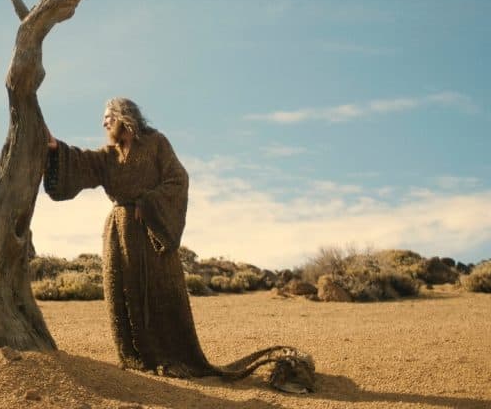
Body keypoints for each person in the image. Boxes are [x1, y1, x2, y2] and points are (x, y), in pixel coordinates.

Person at [44, 97, 315, 391]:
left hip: (152, 232)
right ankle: (136, 356)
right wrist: (55, 146)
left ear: (124, 116)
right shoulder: (108, 155)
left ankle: (169, 354)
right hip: (118, 234)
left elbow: (178, 179)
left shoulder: (156, 143)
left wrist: (147, 204)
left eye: (108, 115)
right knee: (124, 291)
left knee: (159, 291)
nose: (103, 122)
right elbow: (82, 162)